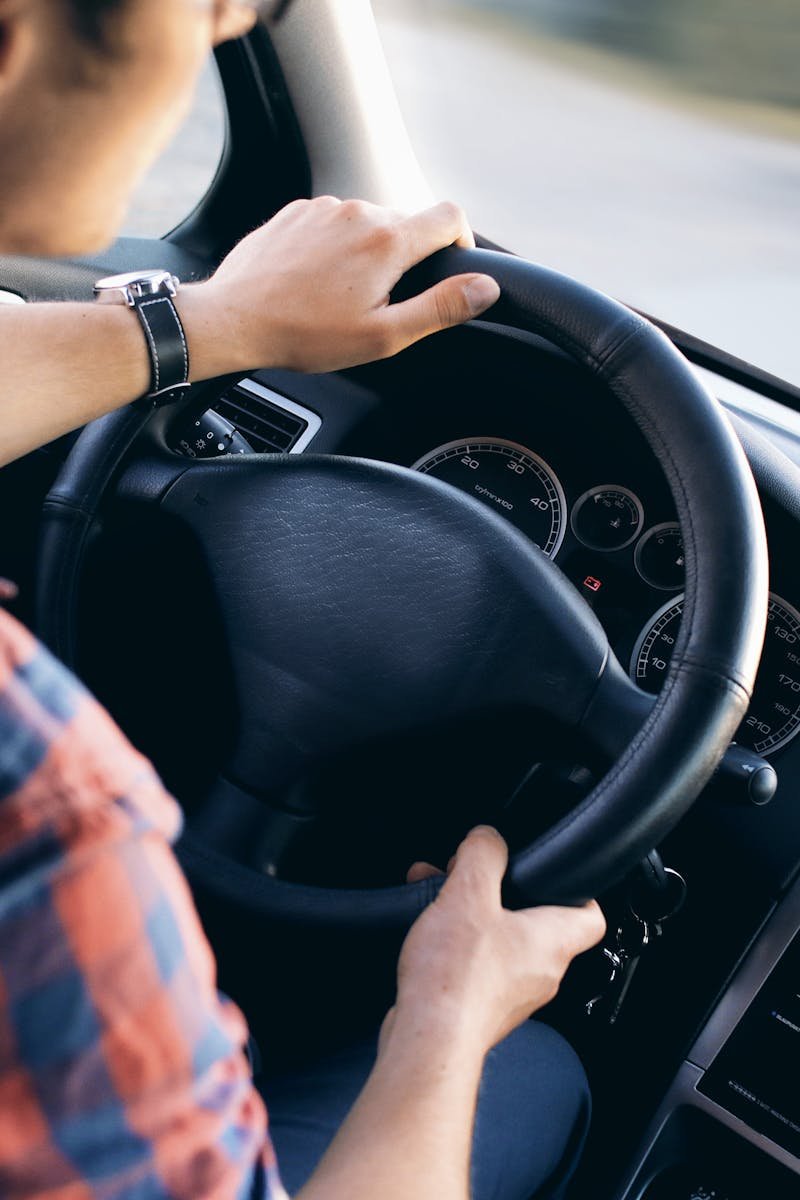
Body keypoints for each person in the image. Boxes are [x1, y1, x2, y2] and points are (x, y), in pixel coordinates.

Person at [0, 2, 606, 1198]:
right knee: (534, 1071)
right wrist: (445, 1014)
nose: (227, 21)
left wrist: (215, 322)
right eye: (215, 3)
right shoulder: (47, 806)